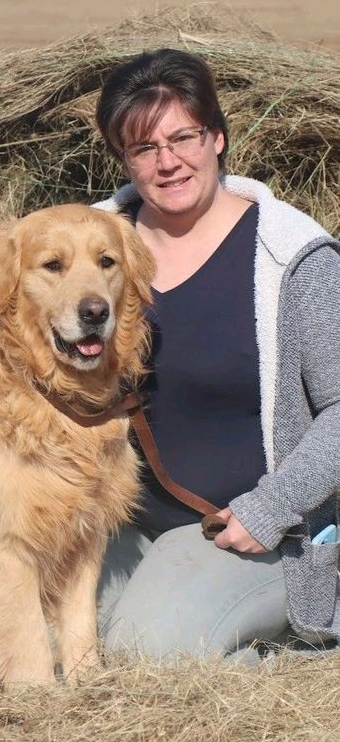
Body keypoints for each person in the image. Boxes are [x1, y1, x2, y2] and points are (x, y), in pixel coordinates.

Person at [92, 48, 340, 662]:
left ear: (219, 137)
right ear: (124, 159)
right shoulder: (89, 246)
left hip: (250, 532)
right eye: (144, 148)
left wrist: (272, 508)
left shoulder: (294, 257)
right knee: (44, 629)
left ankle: (274, 653)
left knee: (144, 652)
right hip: (120, 522)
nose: (168, 162)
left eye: (184, 138)